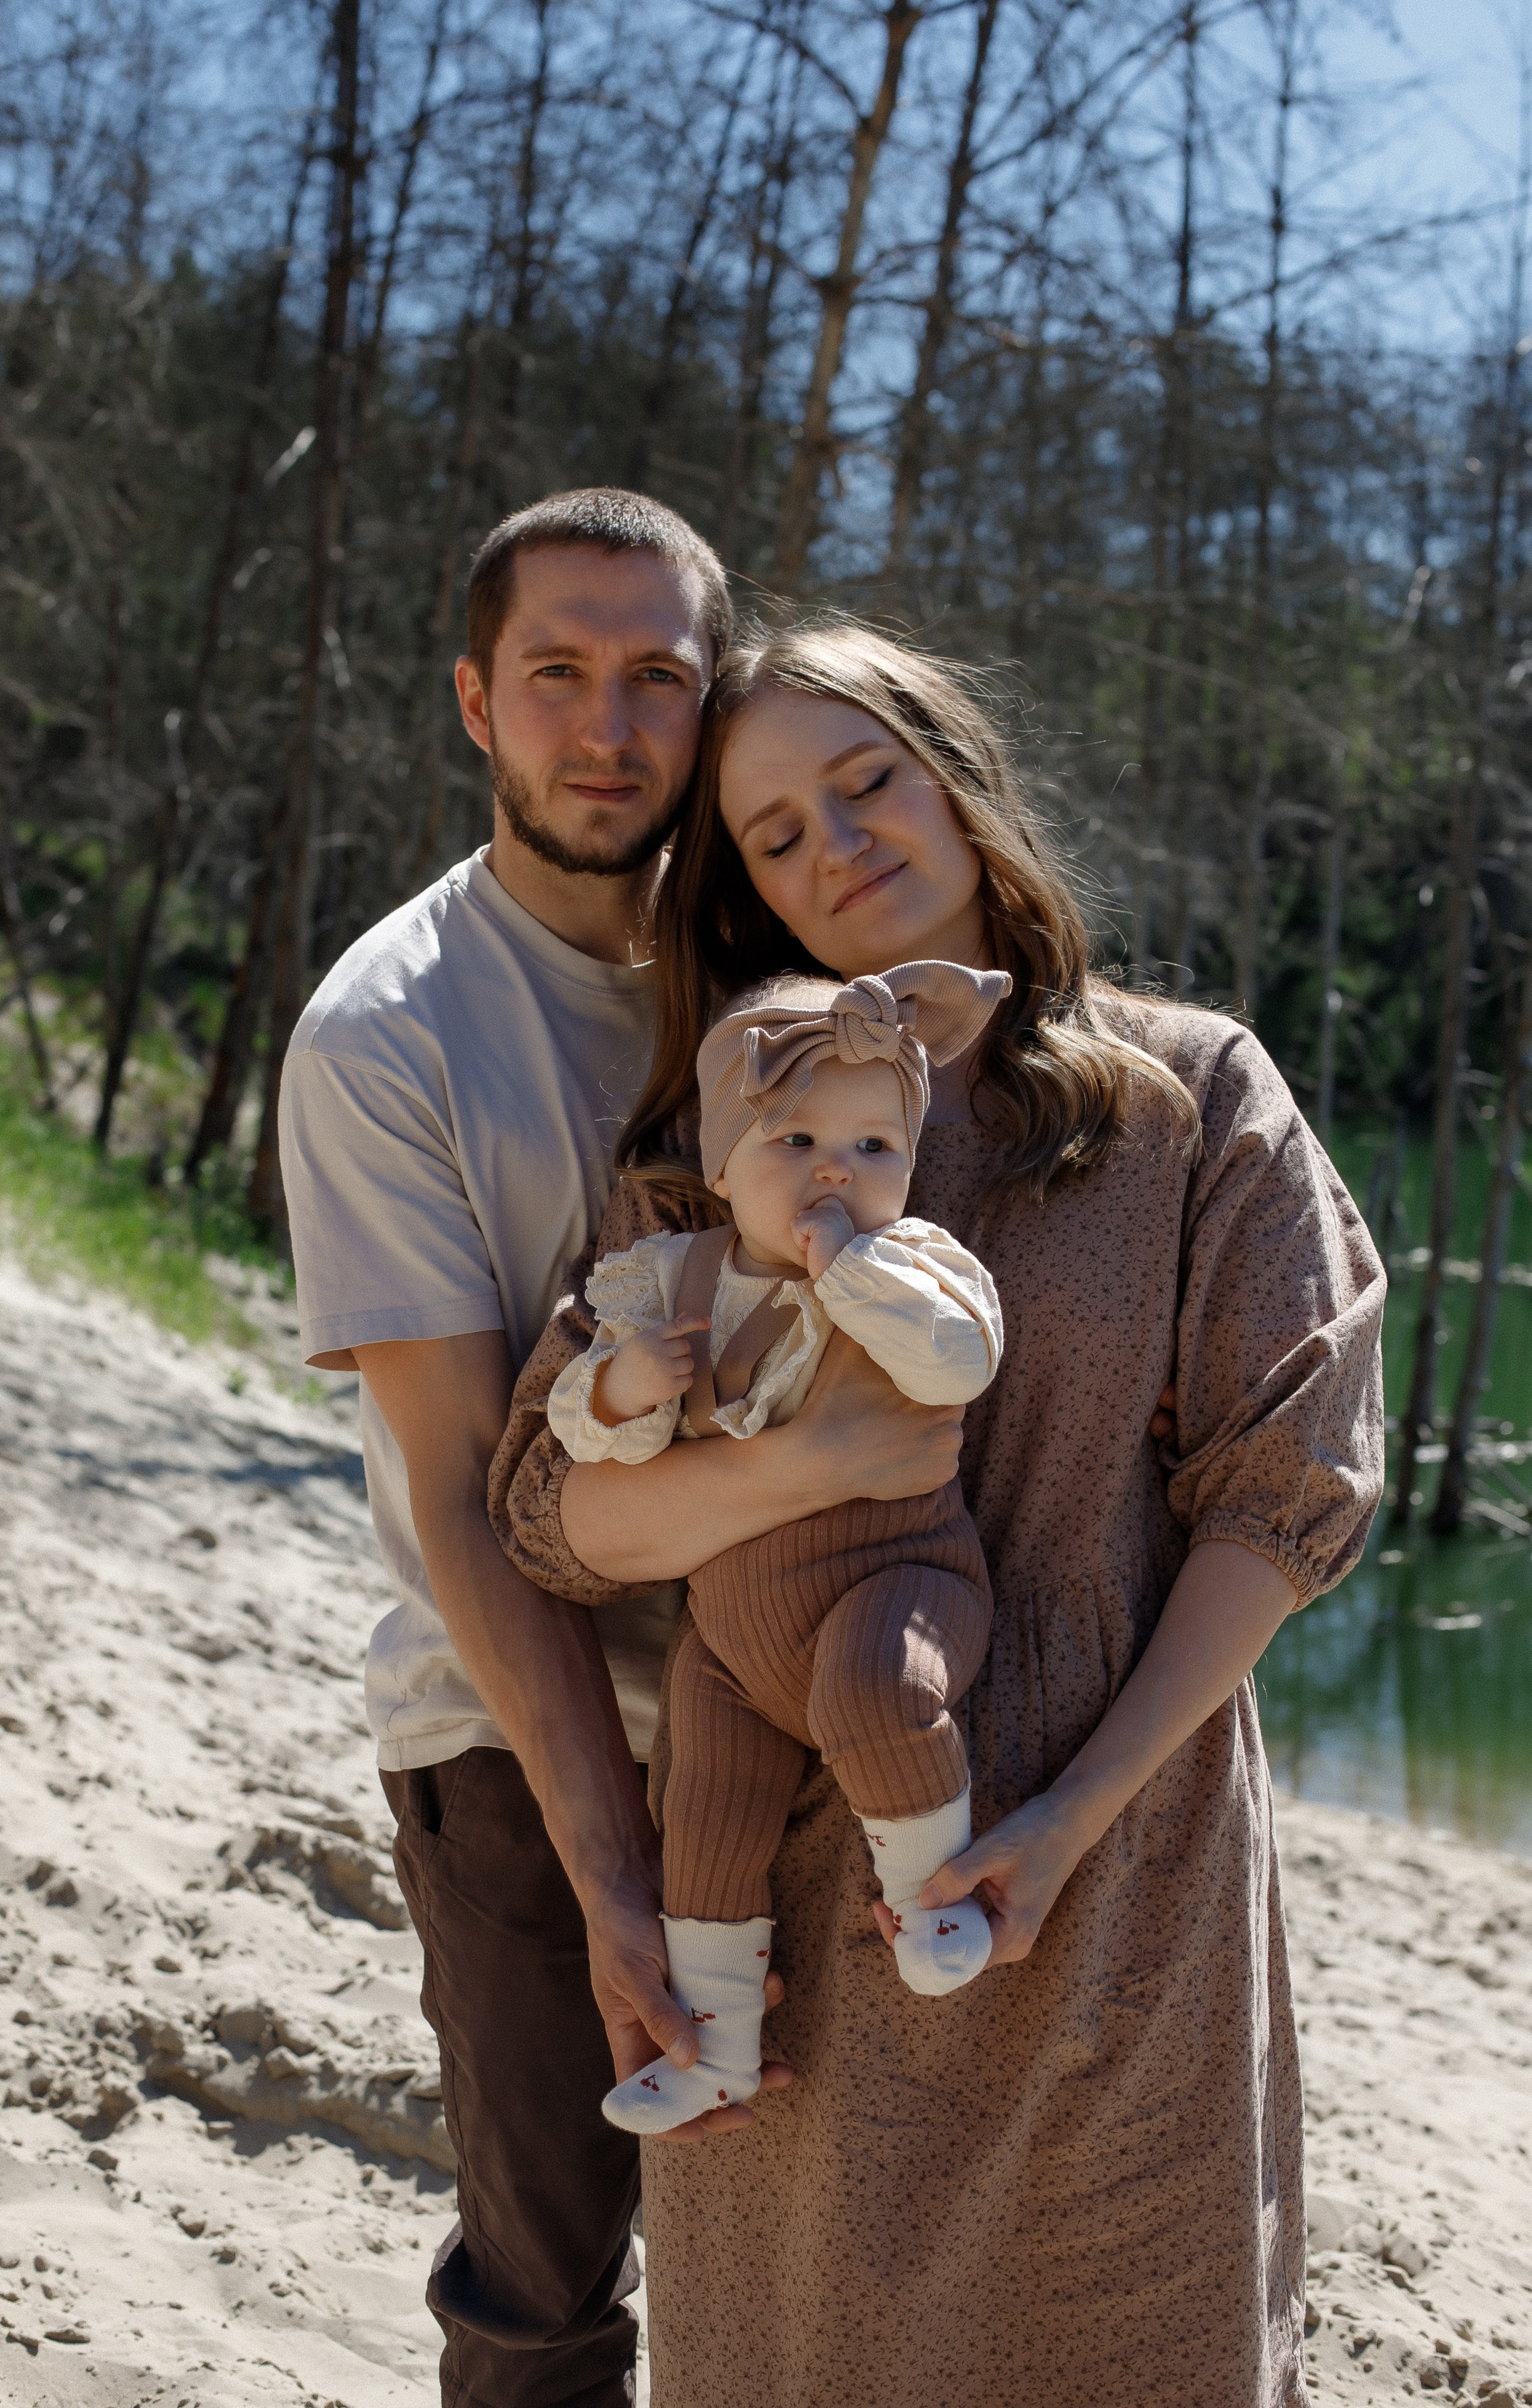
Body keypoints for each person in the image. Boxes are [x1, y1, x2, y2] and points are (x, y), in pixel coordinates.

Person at [492, 620, 1387, 2408]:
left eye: (864, 781)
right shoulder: (720, 1130)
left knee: (1129, 2345)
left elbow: (1278, 1504)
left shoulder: (1191, 1098)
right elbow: (557, 1525)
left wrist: (1067, 1819)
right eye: (772, 834)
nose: (837, 846)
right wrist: (792, 1469)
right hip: (775, 1873)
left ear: (958, 774)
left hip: (1105, 1865)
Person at [277, 486, 755, 2408]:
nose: (609, 725)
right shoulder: (385, 1034)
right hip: (505, 1740)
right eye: (558, 672)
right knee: (549, 2283)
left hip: (772, 1706)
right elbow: (470, 1502)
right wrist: (609, 1873)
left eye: (658, 677)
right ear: (478, 704)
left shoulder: (769, 964)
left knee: (791, 2225)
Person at [542, 961, 1007, 2134]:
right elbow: (580, 1436)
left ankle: (934, 1897)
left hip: (895, 1576)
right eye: (794, 1139)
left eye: (875, 1147)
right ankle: (713, 2048)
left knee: (879, 1687)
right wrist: (619, 1389)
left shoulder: (919, 1265)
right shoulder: (671, 1277)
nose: (836, 1171)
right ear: (718, 1162)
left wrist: (852, 1273)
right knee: (700, 1817)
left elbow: (959, 1363)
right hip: (733, 1635)